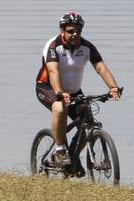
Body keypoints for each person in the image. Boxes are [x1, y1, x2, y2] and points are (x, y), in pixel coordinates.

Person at [34, 11, 121, 167]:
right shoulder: (54, 46)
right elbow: (53, 71)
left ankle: (73, 157)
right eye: (70, 31)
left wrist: (113, 87)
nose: (75, 34)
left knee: (88, 121)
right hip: (48, 88)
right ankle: (60, 150)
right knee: (60, 109)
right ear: (62, 30)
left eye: (78, 31)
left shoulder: (87, 47)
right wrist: (60, 92)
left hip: (74, 92)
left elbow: (101, 68)